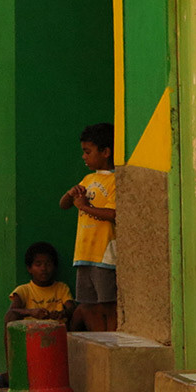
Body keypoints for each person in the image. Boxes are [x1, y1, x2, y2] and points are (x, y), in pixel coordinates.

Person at [0, 242, 78, 389]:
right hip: (30, 341)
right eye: (38, 264)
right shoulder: (24, 290)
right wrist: (31, 312)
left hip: (56, 340)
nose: (43, 269)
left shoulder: (61, 288)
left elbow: (71, 307)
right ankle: (11, 373)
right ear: (29, 268)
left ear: (54, 266)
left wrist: (61, 313)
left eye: (48, 264)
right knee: (9, 319)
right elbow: (12, 312)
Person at [61, 123, 118, 332]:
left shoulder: (115, 180)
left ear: (105, 152)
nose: (84, 157)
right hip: (84, 253)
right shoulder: (89, 178)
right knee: (89, 304)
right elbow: (64, 204)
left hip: (104, 255)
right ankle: (100, 341)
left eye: (88, 152)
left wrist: (85, 207)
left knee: (108, 305)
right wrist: (70, 194)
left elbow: (114, 214)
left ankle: (112, 340)